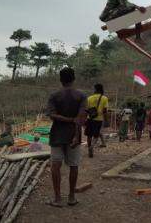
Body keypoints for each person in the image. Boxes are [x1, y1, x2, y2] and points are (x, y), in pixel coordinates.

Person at [46, 67, 87, 208]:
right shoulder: (81, 95)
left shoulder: (54, 95)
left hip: (57, 134)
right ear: (74, 79)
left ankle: (57, 198)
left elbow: (52, 115)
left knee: (55, 165)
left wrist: (67, 119)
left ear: (60, 80)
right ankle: (71, 197)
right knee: (74, 165)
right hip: (73, 136)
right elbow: (81, 118)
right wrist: (76, 134)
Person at [85, 83, 109, 158]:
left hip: (90, 118)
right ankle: (92, 146)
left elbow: (86, 110)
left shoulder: (89, 98)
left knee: (89, 134)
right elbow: (104, 110)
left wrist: (85, 118)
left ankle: (89, 147)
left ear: (95, 89)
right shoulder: (104, 98)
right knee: (96, 135)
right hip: (99, 120)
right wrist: (106, 120)